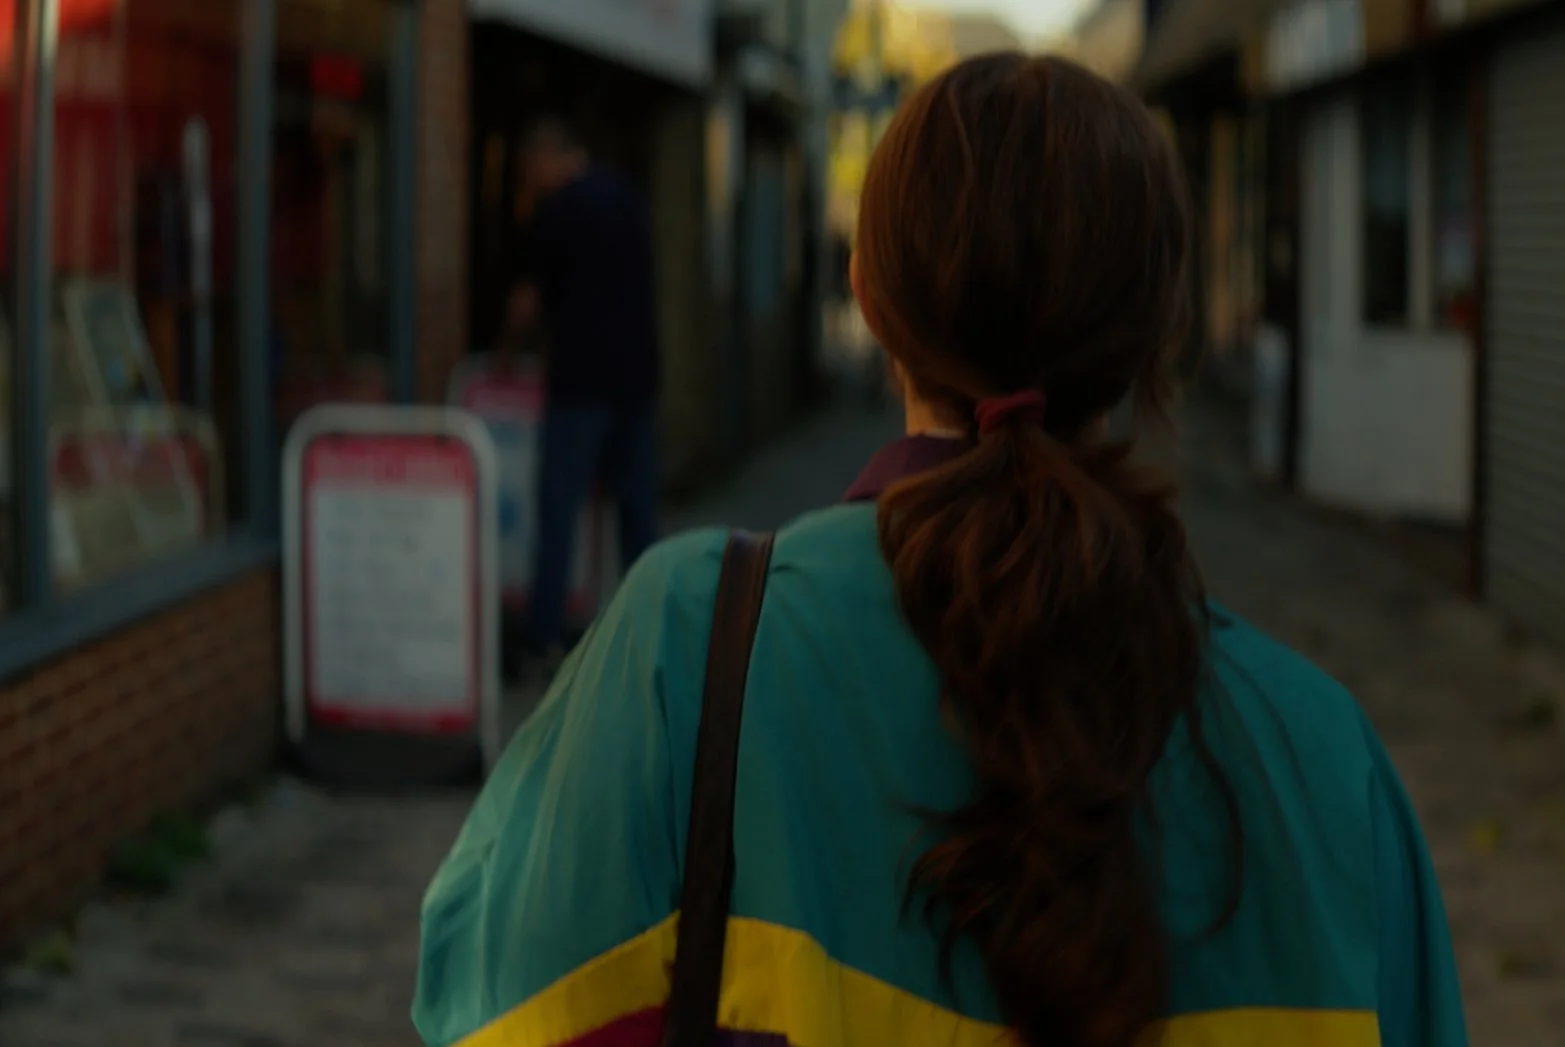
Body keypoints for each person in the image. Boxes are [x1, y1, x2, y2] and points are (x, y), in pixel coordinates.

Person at [414, 55, 1468, 1047]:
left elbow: (486, 1005)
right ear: (1154, 336)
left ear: (870, 299)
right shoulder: (1330, 764)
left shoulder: (690, 651)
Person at [498, 115, 662, 680]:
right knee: (637, 516)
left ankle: (542, 638)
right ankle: (648, 638)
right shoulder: (624, 197)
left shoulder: (555, 212)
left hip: (579, 388)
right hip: (637, 381)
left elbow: (526, 303)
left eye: (528, 169)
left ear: (548, 158)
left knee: (558, 516)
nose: (528, 179)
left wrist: (504, 354)